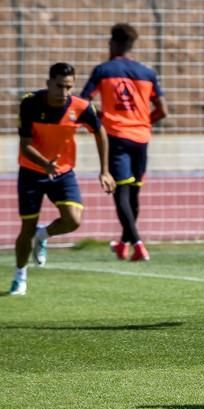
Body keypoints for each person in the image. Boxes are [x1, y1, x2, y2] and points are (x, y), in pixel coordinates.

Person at [9, 62, 116, 296]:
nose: (64, 92)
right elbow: (25, 146)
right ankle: (20, 276)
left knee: (73, 220)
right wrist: (45, 164)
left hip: (63, 172)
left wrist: (105, 170)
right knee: (25, 228)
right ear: (48, 83)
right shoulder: (30, 103)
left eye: (69, 87)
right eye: (59, 86)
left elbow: (100, 132)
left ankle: (43, 235)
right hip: (32, 171)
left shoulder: (82, 107)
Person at [81, 23, 169, 262]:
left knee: (122, 192)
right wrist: (143, 122)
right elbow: (163, 110)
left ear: (113, 43)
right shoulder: (147, 73)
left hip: (117, 137)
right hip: (141, 138)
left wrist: (101, 116)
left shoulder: (103, 70)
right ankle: (123, 244)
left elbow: (82, 102)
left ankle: (138, 244)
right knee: (134, 195)